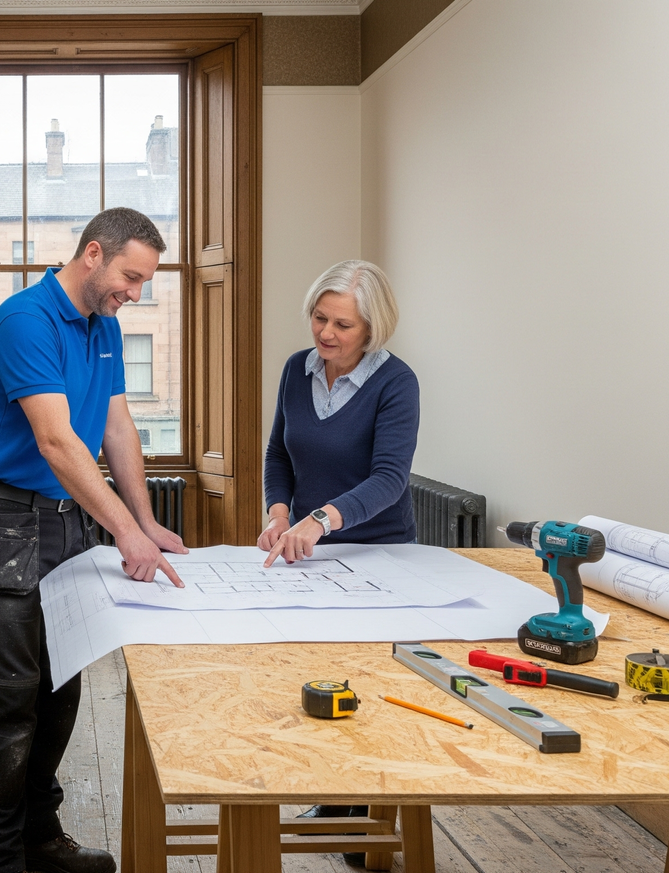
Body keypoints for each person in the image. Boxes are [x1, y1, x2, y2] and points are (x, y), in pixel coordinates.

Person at [0, 207, 188, 873]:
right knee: (8, 703)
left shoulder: (103, 326)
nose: (134, 293)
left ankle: (40, 838)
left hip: (64, 523)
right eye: (130, 276)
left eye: (143, 282)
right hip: (3, 525)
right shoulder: (25, 320)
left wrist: (143, 522)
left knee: (59, 692)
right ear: (93, 254)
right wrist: (122, 531)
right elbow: (57, 441)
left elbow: (117, 429)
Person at [258, 259, 419, 861]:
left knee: (369, 677)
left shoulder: (396, 383)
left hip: (376, 550)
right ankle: (334, 794)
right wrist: (279, 512)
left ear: (371, 329)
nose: (326, 334)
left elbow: (389, 479)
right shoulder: (295, 373)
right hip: (307, 548)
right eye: (319, 318)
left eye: (342, 325)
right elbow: (279, 453)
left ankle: (363, 811)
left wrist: (321, 519)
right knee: (317, 668)